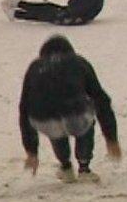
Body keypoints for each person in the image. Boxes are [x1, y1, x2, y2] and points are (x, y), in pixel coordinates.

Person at [18, 35, 121, 183]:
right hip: (75, 114)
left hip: (43, 119)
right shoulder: (79, 63)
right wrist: (111, 139)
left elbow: (24, 108)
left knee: (56, 129)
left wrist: (31, 151)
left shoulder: (35, 67)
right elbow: (101, 99)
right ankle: (84, 168)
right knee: (82, 121)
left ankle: (66, 167)